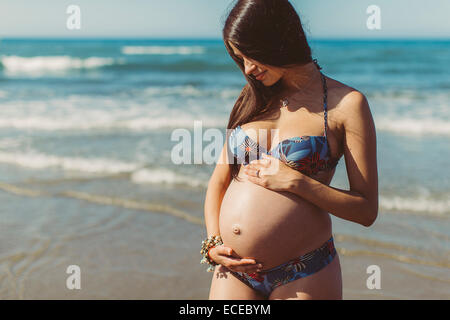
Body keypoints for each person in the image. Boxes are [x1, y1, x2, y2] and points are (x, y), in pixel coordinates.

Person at [201, 0, 378, 300]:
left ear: (278, 40)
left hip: (304, 272)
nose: (247, 69)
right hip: (235, 271)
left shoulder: (347, 104)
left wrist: (297, 182)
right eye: (239, 58)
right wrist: (213, 243)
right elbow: (219, 182)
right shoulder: (251, 98)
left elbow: (366, 210)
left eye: (252, 56)